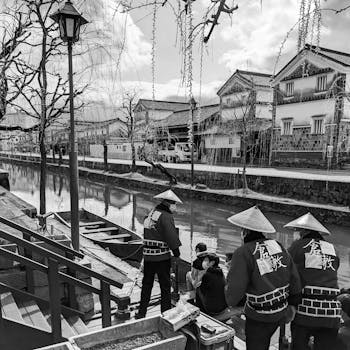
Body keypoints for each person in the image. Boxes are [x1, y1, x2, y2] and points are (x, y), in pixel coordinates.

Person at [225, 206, 301, 350]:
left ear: (244, 232)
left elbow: (233, 295)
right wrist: (292, 304)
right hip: (281, 310)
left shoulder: (243, 252)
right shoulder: (277, 245)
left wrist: (231, 275)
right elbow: (294, 278)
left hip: (259, 316)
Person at [285, 213, 342, 350]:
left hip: (306, 312)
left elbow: (286, 273)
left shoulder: (297, 247)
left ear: (303, 231)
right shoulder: (333, 249)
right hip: (332, 313)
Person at [136, 189, 182, 319]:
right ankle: (166, 314)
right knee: (165, 287)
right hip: (161, 257)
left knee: (146, 285)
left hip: (148, 256)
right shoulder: (166, 216)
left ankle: (141, 312)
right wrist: (177, 253)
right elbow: (171, 236)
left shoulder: (152, 213)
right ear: (168, 203)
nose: (175, 207)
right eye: (174, 204)